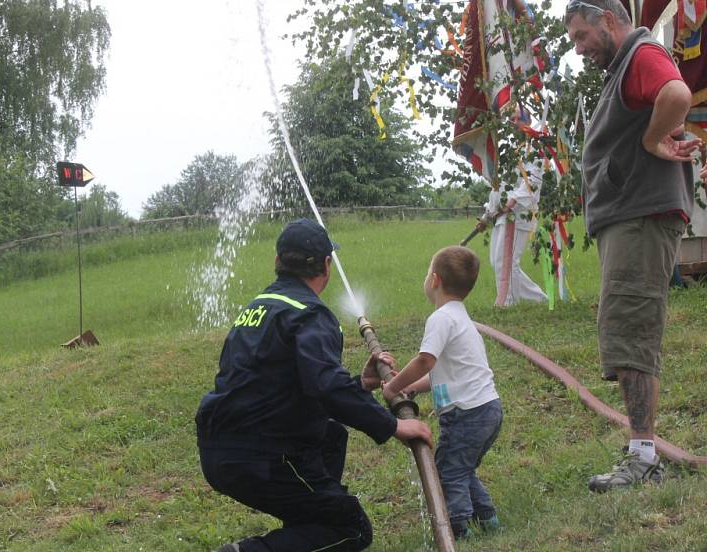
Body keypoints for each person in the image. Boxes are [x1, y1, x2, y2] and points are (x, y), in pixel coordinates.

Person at [195, 218, 433, 552]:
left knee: (332, 435)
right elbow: (325, 387)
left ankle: (310, 520)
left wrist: (362, 383)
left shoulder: (258, 307)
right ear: (326, 264)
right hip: (263, 454)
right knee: (349, 527)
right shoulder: (310, 314)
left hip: (218, 447)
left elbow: (287, 383)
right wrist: (394, 425)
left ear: (277, 262)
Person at [565, 0, 698, 492]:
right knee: (624, 329)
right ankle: (643, 453)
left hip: (641, 216)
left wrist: (650, 138)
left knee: (632, 332)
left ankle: (643, 458)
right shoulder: (623, 68)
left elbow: (677, 95)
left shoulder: (641, 53)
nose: (579, 47)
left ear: (608, 20)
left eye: (581, 35)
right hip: (630, 217)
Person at [382, 245, 502, 540]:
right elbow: (443, 373)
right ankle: (487, 520)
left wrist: (393, 387)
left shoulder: (440, 318)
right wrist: (411, 386)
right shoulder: (461, 318)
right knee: (462, 468)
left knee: (449, 473)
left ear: (434, 280)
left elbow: (425, 361)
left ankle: (459, 530)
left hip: (467, 415)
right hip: (487, 409)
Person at [483, 161, 548, 306]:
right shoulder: (509, 150)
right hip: (501, 216)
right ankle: (538, 298)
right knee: (497, 262)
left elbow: (534, 180)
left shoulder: (533, 149)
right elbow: (498, 189)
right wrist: (486, 216)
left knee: (508, 261)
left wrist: (512, 201)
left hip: (519, 214)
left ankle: (508, 302)